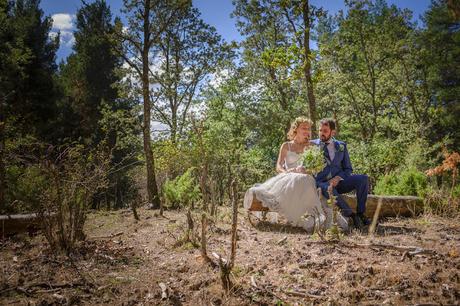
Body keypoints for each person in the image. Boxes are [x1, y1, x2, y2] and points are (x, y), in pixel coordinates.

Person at [243, 117, 348, 232]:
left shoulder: (312, 146)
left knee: (306, 179)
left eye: (309, 129)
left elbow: (317, 167)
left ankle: (313, 218)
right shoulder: (286, 145)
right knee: (301, 180)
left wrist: (308, 170)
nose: (307, 131)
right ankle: (306, 219)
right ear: (295, 129)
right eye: (304, 128)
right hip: (288, 177)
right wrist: (288, 172)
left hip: (306, 178)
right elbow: (278, 166)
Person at [311, 118, 370, 229]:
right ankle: (351, 215)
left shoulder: (342, 146)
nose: (321, 133)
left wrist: (338, 178)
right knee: (328, 187)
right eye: (320, 130)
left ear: (333, 132)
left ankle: (361, 214)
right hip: (320, 182)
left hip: (339, 182)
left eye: (325, 131)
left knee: (363, 179)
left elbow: (348, 169)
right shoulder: (312, 145)